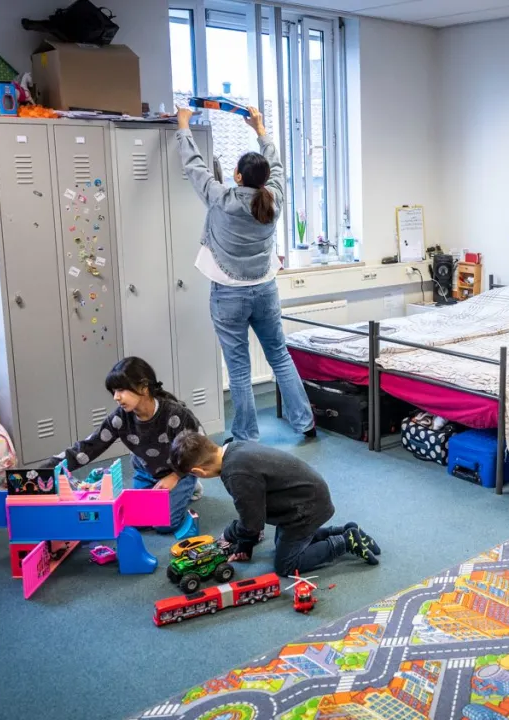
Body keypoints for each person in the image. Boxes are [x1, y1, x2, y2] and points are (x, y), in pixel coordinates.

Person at [175, 105, 315, 442]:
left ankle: (246, 437)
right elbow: (277, 165)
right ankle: (305, 422)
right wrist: (261, 128)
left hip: (229, 294)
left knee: (239, 368)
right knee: (279, 355)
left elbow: (194, 167)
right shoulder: (275, 199)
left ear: (237, 176)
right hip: (265, 289)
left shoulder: (222, 198)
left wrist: (183, 125)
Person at [169, 430, 381, 576]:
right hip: (304, 500)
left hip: (305, 509)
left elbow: (252, 523)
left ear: (199, 472)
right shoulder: (233, 448)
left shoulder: (237, 475)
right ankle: (344, 530)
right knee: (283, 545)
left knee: (286, 565)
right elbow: (250, 515)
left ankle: (344, 542)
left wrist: (231, 534)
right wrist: (245, 544)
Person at [43, 357, 202, 532]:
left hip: (179, 470)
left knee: (164, 524)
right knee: (134, 520)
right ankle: (171, 493)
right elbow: (87, 447)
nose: (116, 397)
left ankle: (190, 485)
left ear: (143, 387)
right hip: (146, 473)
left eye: (121, 390)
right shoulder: (120, 418)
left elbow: (196, 449)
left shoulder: (175, 414)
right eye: (113, 392)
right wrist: (44, 471)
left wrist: (176, 476)